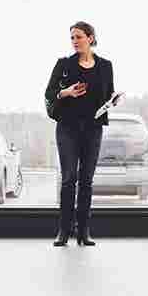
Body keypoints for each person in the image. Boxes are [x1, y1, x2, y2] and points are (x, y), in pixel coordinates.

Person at [44, 21, 114, 247]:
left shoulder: (105, 66)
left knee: (86, 181)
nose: (75, 41)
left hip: (93, 129)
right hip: (67, 128)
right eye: (72, 38)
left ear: (91, 38)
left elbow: (108, 93)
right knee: (68, 179)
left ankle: (84, 232)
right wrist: (66, 92)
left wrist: (113, 101)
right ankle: (64, 231)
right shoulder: (64, 64)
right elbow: (50, 92)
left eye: (79, 37)